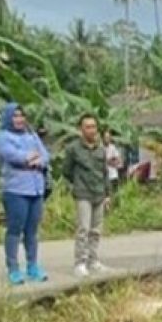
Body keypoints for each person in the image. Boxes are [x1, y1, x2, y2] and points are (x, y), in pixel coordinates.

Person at [0, 103, 50, 285]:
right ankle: (13, 268)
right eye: (15, 116)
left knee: (32, 231)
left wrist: (34, 159)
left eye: (21, 116)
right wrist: (28, 157)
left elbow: (45, 156)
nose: (19, 119)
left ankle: (32, 265)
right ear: (8, 118)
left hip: (36, 189)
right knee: (15, 229)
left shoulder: (32, 135)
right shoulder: (3, 136)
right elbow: (11, 156)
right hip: (15, 189)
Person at [64, 114, 111, 277]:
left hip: (99, 193)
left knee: (96, 230)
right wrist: (78, 184)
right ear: (81, 129)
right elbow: (67, 171)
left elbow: (105, 172)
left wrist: (108, 193)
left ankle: (94, 260)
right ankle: (80, 263)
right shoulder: (73, 149)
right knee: (83, 229)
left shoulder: (101, 149)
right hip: (83, 193)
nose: (91, 130)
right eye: (88, 127)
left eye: (94, 126)